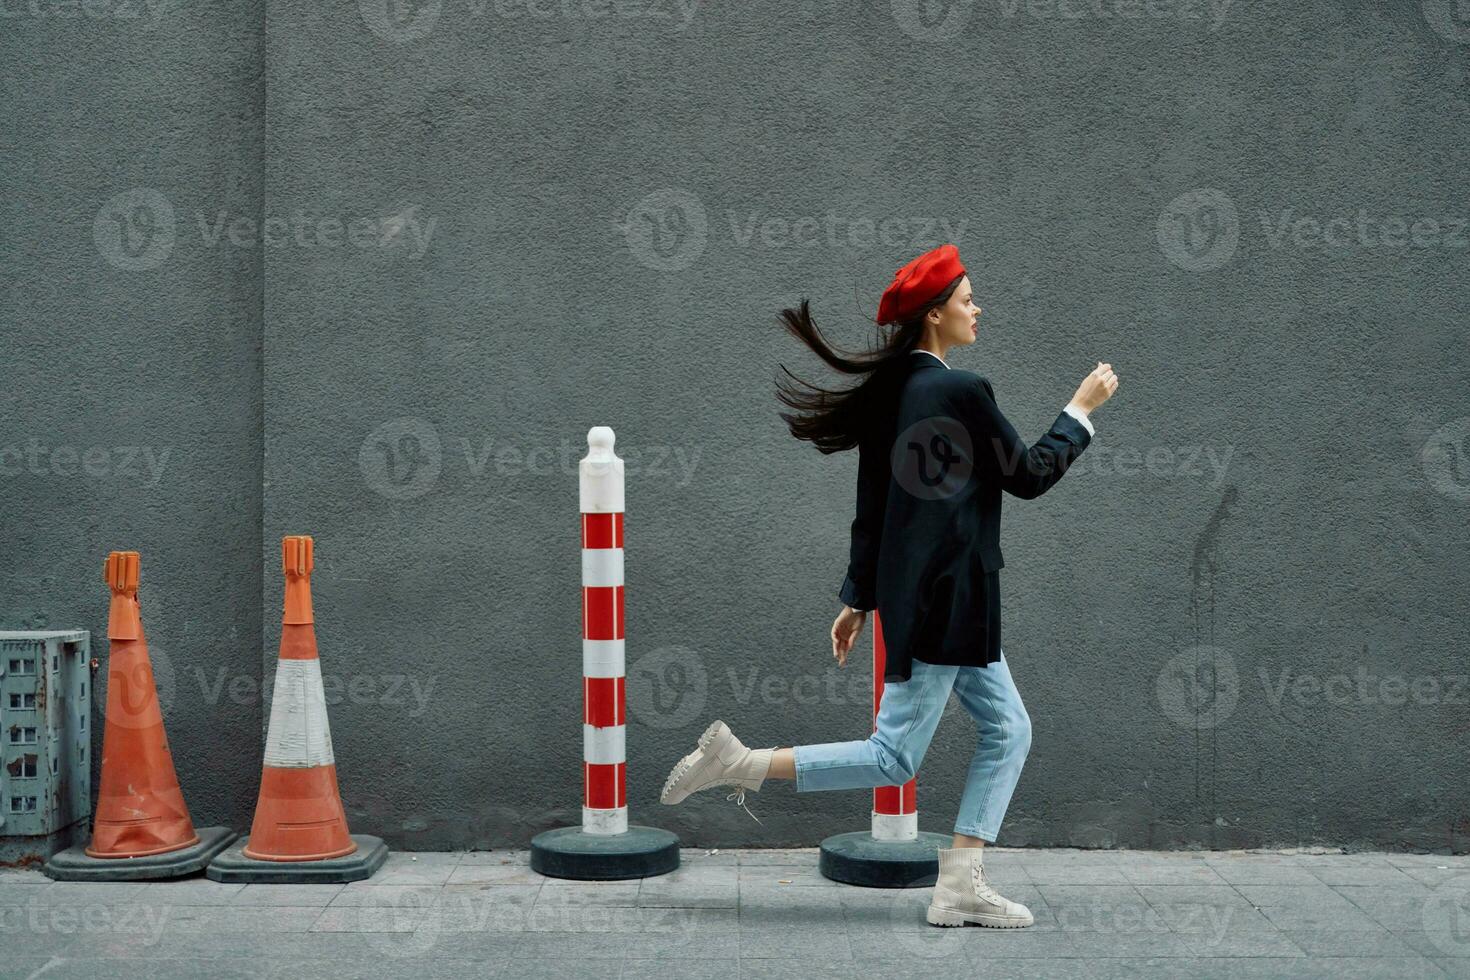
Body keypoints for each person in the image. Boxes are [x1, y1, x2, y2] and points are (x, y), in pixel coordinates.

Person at [659, 243, 1119, 928]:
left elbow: (871, 510)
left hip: (930, 604)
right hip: (952, 603)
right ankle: (740, 761)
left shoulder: (894, 396)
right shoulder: (962, 391)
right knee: (894, 755)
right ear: (935, 315)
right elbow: (1026, 476)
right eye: (968, 299)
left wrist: (857, 599)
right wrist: (1078, 412)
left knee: (1008, 728)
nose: (977, 308)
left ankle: (961, 884)